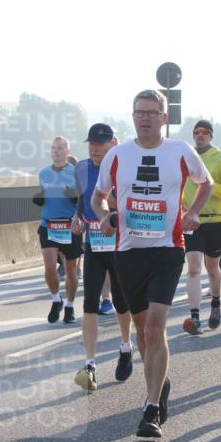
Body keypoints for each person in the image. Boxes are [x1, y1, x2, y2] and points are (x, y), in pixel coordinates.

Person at [92, 89, 213, 440]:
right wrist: (104, 216)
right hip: (129, 252)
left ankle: (150, 409)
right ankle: (160, 384)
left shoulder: (180, 150)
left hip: (167, 249)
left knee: (155, 328)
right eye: (139, 112)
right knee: (145, 332)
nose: (145, 118)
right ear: (133, 117)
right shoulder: (117, 155)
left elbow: (206, 184)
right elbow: (98, 197)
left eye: (151, 112)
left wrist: (193, 212)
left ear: (163, 117)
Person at [72, 123, 135, 391]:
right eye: (91, 144)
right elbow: (82, 198)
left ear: (112, 144)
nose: (94, 149)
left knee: (121, 301)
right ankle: (90, 364)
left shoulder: (123, 167)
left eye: (100, 144)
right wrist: (77, 218)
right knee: (89, 302)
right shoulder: (81, 168)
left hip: (119, 243)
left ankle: (125, 345)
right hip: (93, 243)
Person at [181, 119, 221, 334]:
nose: (200, 135)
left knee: (212, 268)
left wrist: (208, 186)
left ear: (211, 135)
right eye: (197, 132)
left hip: (215, 220)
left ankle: (215, 303)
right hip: (192, 220)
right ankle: (195, 317)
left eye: (204, 132)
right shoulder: (187, 158)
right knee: (194, 268)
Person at [34, 136, 81, 324]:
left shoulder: (76, 172)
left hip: (69, 225)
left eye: (60, 148)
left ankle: (70, 306)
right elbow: (45, 195)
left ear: (67, 151)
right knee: (49, 267)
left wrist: (75, 197)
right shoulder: (43, 173)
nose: (56, 151)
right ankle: (56, 300)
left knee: (71, 269)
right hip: (49, 225)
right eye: (54, 148)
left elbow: (84, 198)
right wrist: (40, 198)